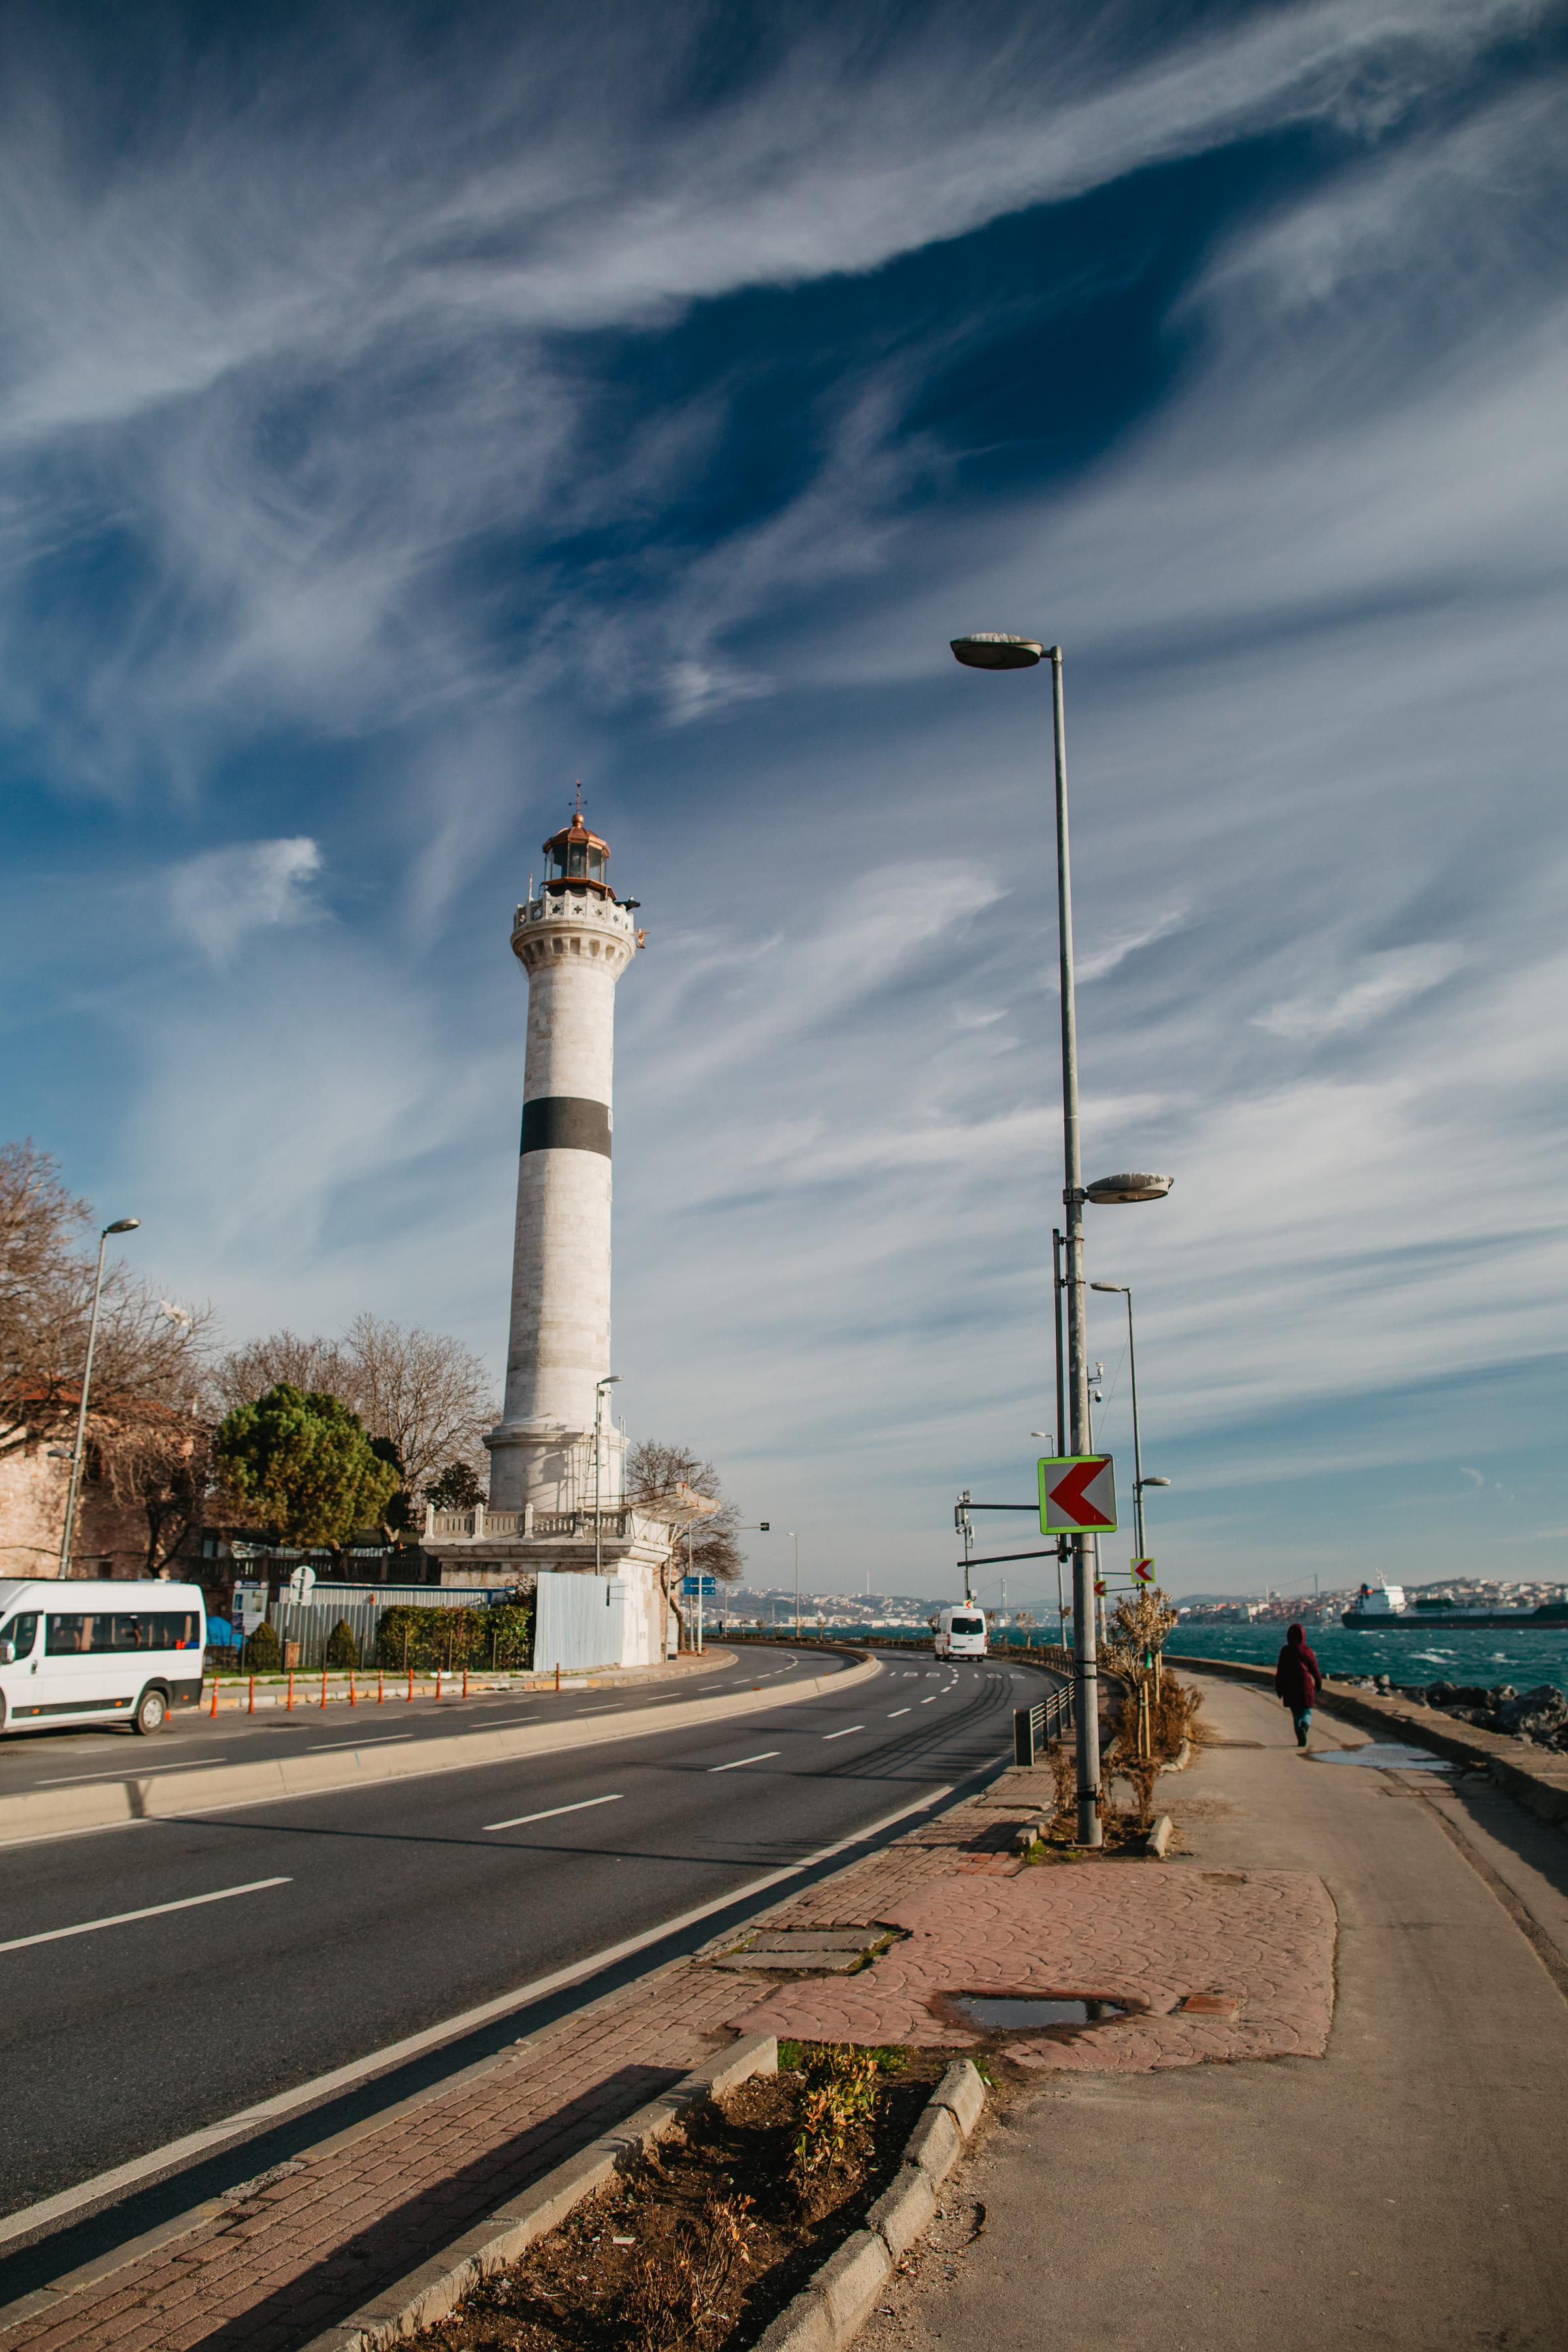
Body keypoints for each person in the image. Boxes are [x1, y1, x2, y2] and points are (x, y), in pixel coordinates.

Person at [1275, 1622, 1322, 1749]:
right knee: (1306, 1712)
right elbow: (1315, 1669)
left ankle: (1299, 1734)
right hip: (1305, 1686)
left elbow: (1280, 1672)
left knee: (1296, 1713)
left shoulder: (1285, 1651)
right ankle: (1305, 1727)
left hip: (1289, 1688)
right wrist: (1319, 1683)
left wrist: (1279, 1689)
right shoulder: (1307, 1651)